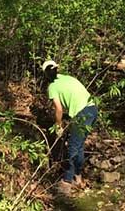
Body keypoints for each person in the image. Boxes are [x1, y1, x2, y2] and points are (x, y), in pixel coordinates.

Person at [40, 60, 99, 189]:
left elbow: (59, 109)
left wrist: (58, 126)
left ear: (45, 73)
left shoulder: (52, 87)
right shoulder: (68, 79)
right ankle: (78, 178)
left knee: (72, 147)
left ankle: (67, 180)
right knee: (78, 146)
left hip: (82, 114)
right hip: (92, 109)